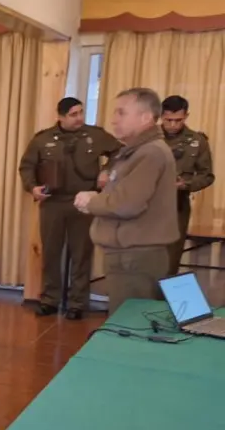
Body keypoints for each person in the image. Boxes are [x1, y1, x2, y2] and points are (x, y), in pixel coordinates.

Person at [74, 88, 178, 315]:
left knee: (129, 325)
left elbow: (127, 204)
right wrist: (99, 198)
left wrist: (91, 203)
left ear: (146, 118)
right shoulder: (134, 151)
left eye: (121, 113)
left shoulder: (149, 153)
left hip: (135, 258)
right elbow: (122, 194)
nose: (113, 119)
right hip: (130, 256)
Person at [19, 97, 121, 319]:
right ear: (61, 116)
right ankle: (50, 300)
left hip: (83, 202)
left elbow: (119, 152)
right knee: (51, 253)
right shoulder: (43, 139)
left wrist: (107, 171)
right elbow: (27, 166)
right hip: (53, 203)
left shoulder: (95, 135)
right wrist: (32, 188)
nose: (79, 118)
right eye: (74, 114)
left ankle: (77, 303)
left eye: (81, 113)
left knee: (81, 253)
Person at [159, 95, 215, 275]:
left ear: (186, 116)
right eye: (169, 120)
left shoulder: (197, 141)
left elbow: (207, 176)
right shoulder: (149, 138)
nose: (173, 125)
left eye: (179, 120)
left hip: (178, 206)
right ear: (161, 116)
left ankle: (161, 301)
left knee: (170, 261)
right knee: (144, 260)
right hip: (147, 207)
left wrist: (186, 184)